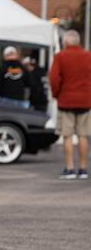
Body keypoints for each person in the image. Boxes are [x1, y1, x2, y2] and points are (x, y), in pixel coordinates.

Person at [49, 30, 91, 180]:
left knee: (67, 136)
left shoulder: (60, 57)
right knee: (83, 135)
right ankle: (84, 169)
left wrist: (56, 94)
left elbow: (54, 78)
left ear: (66, 42)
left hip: (66, 100)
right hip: (85, 101)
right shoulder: (88, 56)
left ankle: (70, 168)